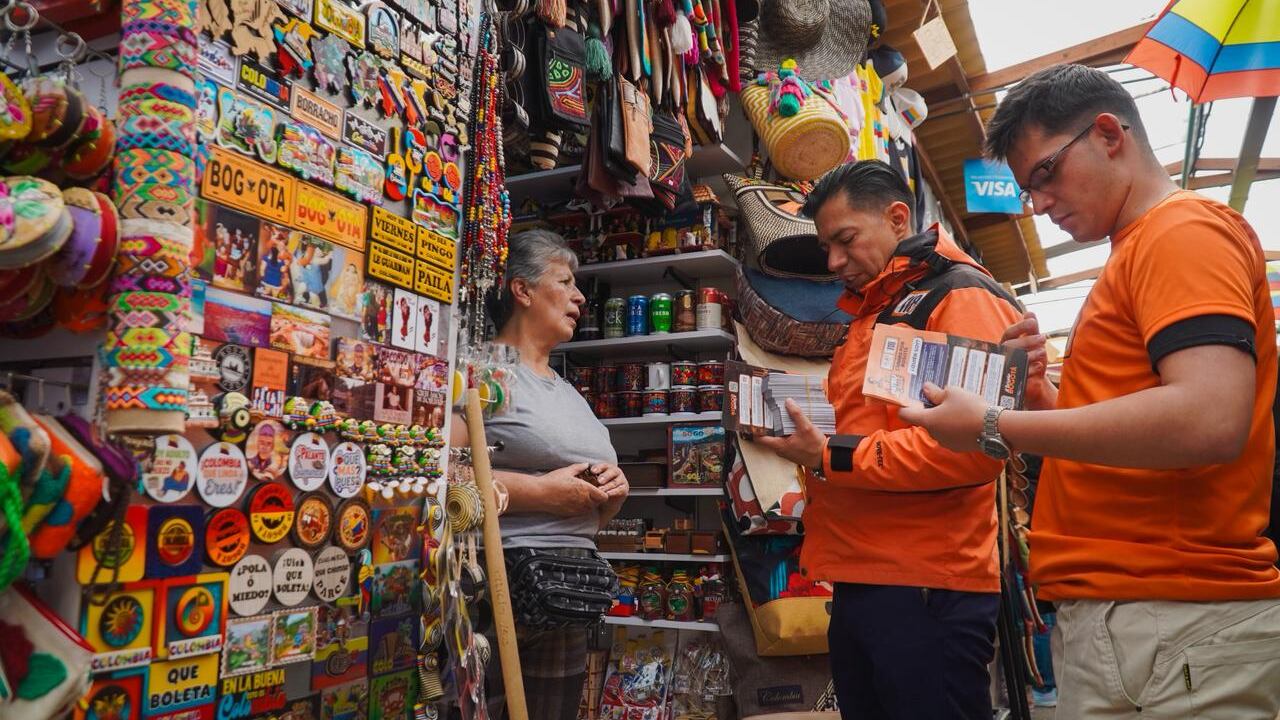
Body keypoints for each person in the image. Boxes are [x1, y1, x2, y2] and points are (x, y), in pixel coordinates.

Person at [899, 64, 1280, 718]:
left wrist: (996, 424)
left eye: (1043, 174)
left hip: (1173, 622)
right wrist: (1044, 397)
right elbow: (1139, 431)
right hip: (1141, 623)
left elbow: (1212, 417)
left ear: (1108, 134)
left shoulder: (1181, 233)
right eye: (1026, 190)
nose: (1037, 203)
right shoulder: (1137, 251)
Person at [755, 160, 1024, 719]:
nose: (833, 262)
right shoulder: (874, 312)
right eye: (827, 246)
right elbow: (875, 427)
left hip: (926, 586)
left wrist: (828, 455)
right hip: (865, 576)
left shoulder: (961, 297)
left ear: (898, 217)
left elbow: (975, 450)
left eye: (845, 240)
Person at [453, 229, 629, 720]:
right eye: (566, 281)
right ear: (522, 290)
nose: (578, 297)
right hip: (499, 584)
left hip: (570, 587)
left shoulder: (567, 390)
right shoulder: (481, 372)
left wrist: (611, 492)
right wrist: (542, 493)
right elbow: (443, 478)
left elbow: (588, 496)